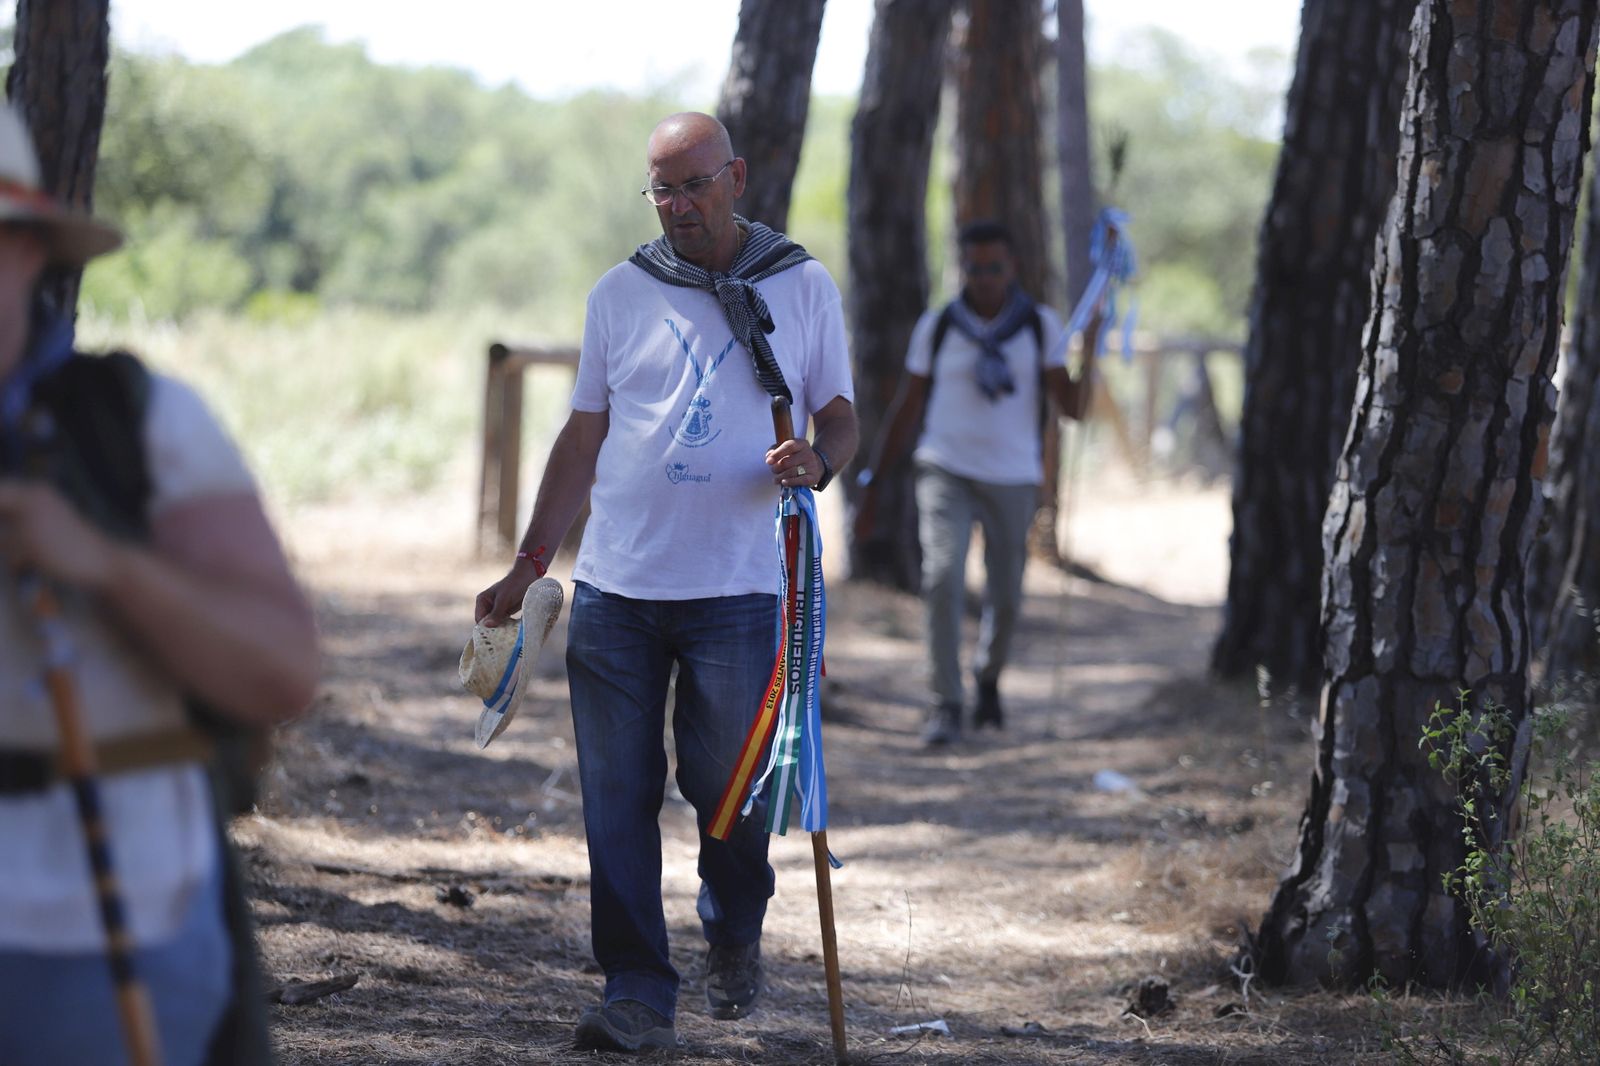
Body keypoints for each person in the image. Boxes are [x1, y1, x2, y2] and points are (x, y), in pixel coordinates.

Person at [474, 112, 857, 1054]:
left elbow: (842, 415)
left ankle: (734, 928)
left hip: (741, 589)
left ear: (734, 177)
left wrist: (818, 460)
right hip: (617, 589)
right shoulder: (621, 292)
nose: (678, 205)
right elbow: (582, 435)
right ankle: (638, 988)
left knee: (730, 792)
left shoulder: (800, 285)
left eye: (693, 184)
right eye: (661, 188)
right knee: (617, 795)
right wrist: (530, 565)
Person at [0, 107, 320, 1064]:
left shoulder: (135, 426)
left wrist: (100, 563)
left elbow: (280, 672)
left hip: (92, 929)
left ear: (24, 253)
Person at [855, 219, 1091, 747]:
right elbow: (906, 406)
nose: (984, 278)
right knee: (941, 576)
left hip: (1013, 476)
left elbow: (1073, 409)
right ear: (964, 268)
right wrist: (872, 482)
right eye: (975, 267)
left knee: (1006, 594)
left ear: (1012, 268)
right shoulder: (939, 326)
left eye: (995, 267)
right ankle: (945, 702)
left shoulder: (1039, 327)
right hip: (945, 468)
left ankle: (988, 678)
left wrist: (1090, 353)